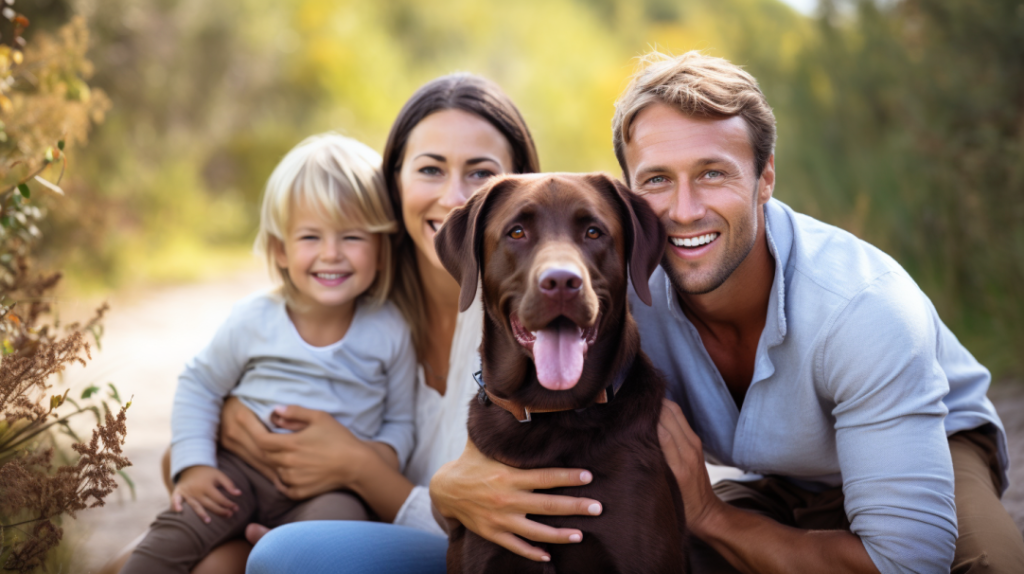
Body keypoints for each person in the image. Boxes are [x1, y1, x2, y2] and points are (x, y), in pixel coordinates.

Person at [429, 51, 1024, 573]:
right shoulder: (622, 282)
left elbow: (903, 563)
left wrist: (711, 514)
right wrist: (449, 487)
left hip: (928, 441)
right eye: (658, 180)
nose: (684, 211)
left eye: (712, 174)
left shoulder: (865, 308)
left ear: (765, 178)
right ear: (632, 191)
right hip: (773, 482)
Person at [234, 73, 542, 573]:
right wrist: (235, 425)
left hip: (475, 559)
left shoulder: (527, 319)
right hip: (327, 526)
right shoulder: (355, 300)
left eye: (481, 173)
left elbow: (499, 526)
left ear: (521, 187)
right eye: (430, 170)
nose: (455, 197)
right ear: (394, 182)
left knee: (286, 555)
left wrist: (358, 469)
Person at [120, 133, 417, 574]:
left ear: (380, 247)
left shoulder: (390, 329)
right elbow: (200, 383)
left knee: (335, 536)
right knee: (166, 544)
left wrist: (380, 456)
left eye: (352, 237)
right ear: (280, 249)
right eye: (310, 237)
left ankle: (277, 548)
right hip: (239, 474)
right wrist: (195, 465)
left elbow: (401, 420)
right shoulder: (255, 320)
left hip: (330, 489)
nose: (331, 254)